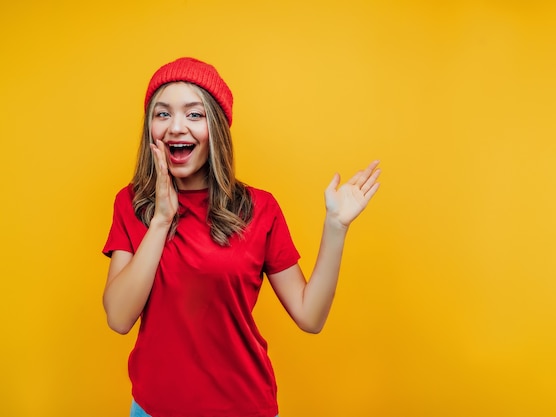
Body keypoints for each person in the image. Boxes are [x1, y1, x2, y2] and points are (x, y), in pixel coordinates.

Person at [102, 57, 381, 417]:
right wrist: (161, 220)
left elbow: (310, 317)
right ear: (150, 129)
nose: (176, 127)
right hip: (152, 410)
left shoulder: (259, 208)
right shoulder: (131, 204)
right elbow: (119, 318)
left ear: (216, 127)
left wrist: (336, 227)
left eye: (194, 114)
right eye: (162, 114)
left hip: (243, 408)